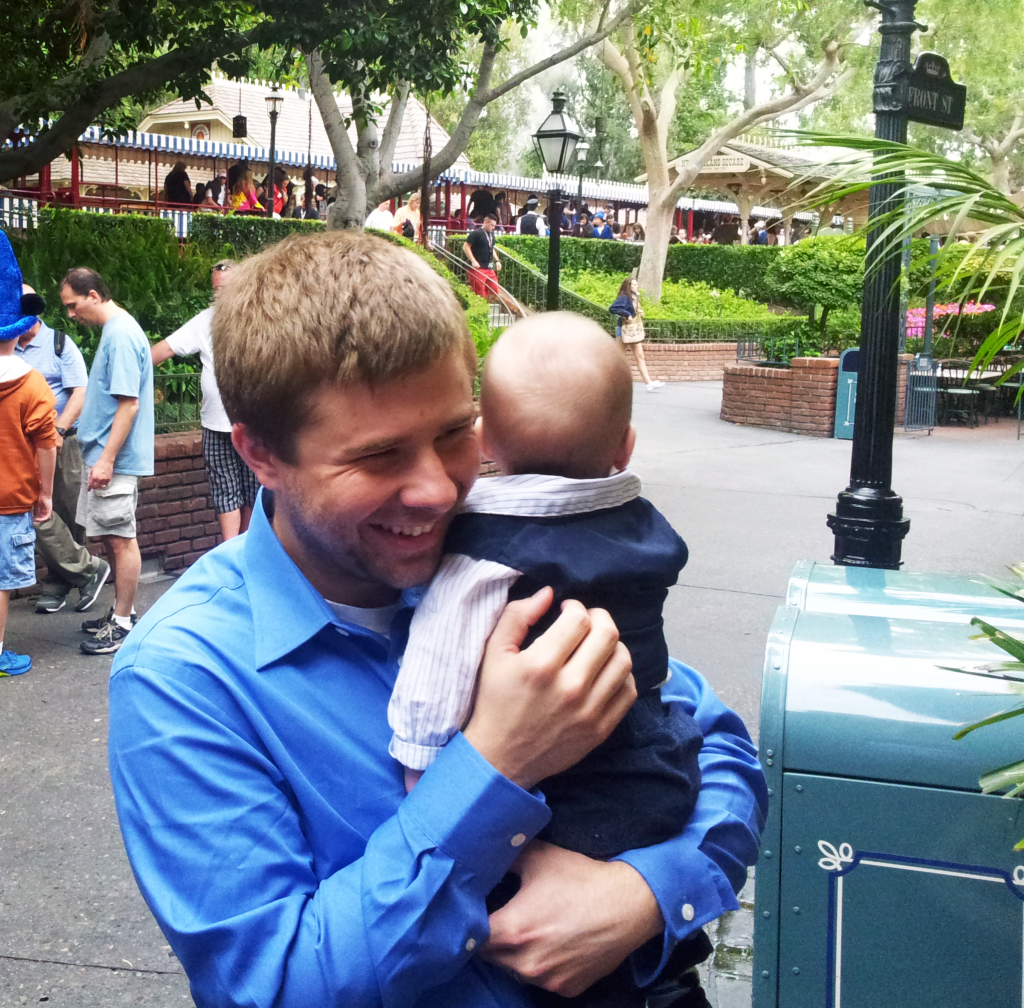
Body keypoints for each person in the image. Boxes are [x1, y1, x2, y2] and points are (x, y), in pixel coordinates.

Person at [107, 230, 766, 1008]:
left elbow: (713, 738)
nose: (438, 491)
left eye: (456, 435)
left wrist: (648, 894)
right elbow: (275, 988)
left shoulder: (501, 552)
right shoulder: (185, 678)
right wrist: (494, 765)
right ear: (260, 455)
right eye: (378, 457)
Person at [389, 312, 707, 1002]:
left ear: (485, 441)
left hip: (569, 788)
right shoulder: (641, 526)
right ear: (624, 447)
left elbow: (436, 666)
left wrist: (423, 765)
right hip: (659, 758)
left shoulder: (484, 551)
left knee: (531, 893)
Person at [61, 267, 154, 655]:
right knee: (115, 539)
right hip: (106, 456)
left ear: (94, 295)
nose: (70, 314)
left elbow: (128, 404)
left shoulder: (119, 335)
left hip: (112, 459)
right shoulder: (118, 331)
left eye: (73, 304)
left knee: (121, 539)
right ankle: (121, 612)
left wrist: (107, 459)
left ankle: (122, 622)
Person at [15, 286, 110, 615]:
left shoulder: (59, 344)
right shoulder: (7, 345)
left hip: (63, 441)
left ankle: (60, 582)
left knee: (69, 513)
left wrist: (56, 429)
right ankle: (86, 571)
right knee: (37, 512)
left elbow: (80, 392)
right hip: (25, 446)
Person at [150, 260, 258, 542]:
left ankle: (242, 549)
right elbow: (163, 349)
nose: (220, 296)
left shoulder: (260, 319)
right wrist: (126, 366)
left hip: (253, 425)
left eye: (226, 289)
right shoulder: (204, 320)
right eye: (216, 290)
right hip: (214, 425)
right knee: (225, 492)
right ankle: (229, 549)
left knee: (251, 490)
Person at [0, 234, 56, 675]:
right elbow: (46, 445)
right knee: (1, 582)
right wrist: (46, 494)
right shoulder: (33, 384)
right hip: (10, 498)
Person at [610, 276, 664, 393]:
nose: (637, 286)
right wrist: (626, 314)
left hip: (633, 330)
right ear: (628, 286)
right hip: (624, 330)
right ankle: (609, 382)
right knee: (618, 358)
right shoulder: (624, 297)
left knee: (640, 356)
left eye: (636, 284)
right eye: (634, 285)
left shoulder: (634, 298)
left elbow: (632, 310)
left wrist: (638, 312)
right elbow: (613, 308)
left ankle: (648, 383)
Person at [463, 213, 501, 298]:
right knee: (479, 291)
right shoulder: (476, 233)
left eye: (495, 225)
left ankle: (488, 307)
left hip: (489, 267)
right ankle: (481, 308)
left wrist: (497, 260)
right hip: (478, 267)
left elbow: (491, 248)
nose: (493, 227)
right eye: (492, 225)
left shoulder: (491, 234)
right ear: (486, 222)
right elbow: (466, 247)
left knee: (494, 289)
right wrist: (473, 261)